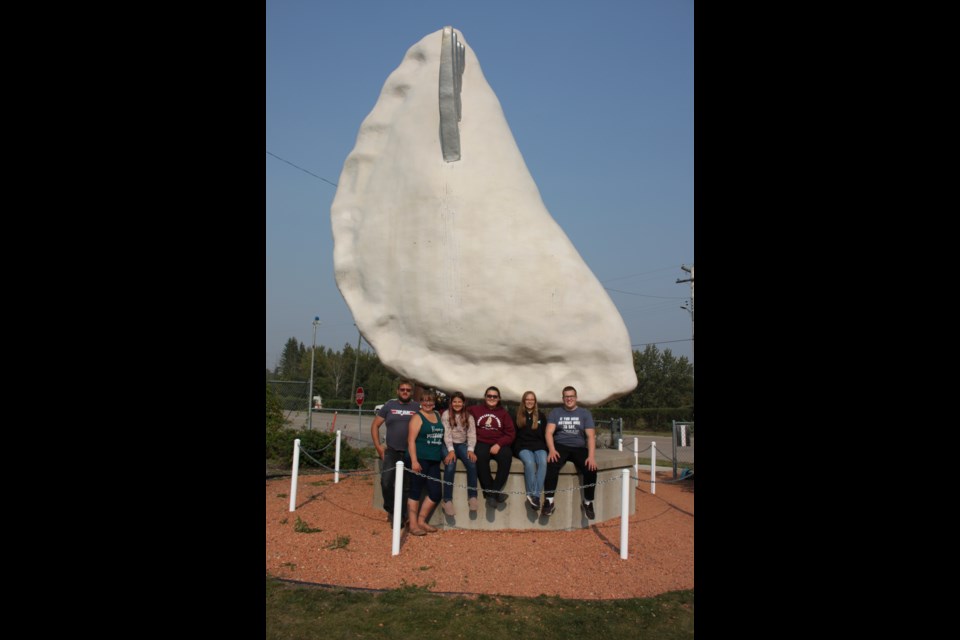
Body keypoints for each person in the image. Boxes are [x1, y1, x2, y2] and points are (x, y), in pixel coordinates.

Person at [541, 386, 598, 519]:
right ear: (563, 398)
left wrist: (591, 456)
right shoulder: (556, 412)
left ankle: (588, 502)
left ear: (576, 398)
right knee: (552, 464)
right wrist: (552, 450)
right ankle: (549, 501)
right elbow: (548, 432)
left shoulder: (585, 414)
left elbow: (590, 436)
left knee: (590, 468)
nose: (569, 399)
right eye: (566, 396)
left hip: (578, 447)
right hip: (560, 445)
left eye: (571, 396)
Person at [370, 381, 420, 523]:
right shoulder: (389, 406)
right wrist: (378, 446)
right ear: (398, 391)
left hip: (409, 452)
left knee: (406, 486)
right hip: (391, 451)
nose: (405, 392)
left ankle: (401, 515)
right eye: (402, 389)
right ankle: (391, 510)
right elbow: (375, 425)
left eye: (408, 390)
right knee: (386, 482)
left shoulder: (417, 407)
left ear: (411, 392)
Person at [467, 386, 516, 508]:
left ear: (499, 398)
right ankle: (494, 493)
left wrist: (499, 444)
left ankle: (491, 493)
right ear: (485, 397)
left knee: (507, 456)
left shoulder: (503, 413)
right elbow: (458, 408)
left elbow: (511, 433)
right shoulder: (475, 409)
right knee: (480, 457)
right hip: (481, 442)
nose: (492, 398)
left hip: (498, 442)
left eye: (495, 396)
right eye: (489, 396)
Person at [405, 391, 446, 535]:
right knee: (415, 491)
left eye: (431, 401)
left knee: (435, 492)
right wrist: (414, 461)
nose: (428, 403)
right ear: (421, 402)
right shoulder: (417, 417)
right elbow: (410, 440)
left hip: (434, 459)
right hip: (419, 458)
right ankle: (413, 524)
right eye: (425, 401)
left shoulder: (437, 415)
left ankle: (422, 521)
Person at [440, 391, 479, 516]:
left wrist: (471, 450)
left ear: (463, 403)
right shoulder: (446, 415)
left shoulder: (468, 416)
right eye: (454, 402)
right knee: (450, 465)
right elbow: (446, 434)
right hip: (447, 444)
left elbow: (472, 434)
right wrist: (450, 451)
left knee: (472, 463)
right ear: (451, 403)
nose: (457, 404)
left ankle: (472, 496)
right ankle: (447, 500)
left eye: (459, 402)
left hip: (462, 444)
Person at [513, 390, 548, 512]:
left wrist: (549, 449)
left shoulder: (541, 416)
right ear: (524, 401)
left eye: (532, 399)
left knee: (543, 463)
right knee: (529, 463)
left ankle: (535, 496)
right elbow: (514, 435)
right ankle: (531, 494)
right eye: (527, 399)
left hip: (539, 446)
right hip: (523, 446)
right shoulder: (517, 416)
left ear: (535, 401)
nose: (529, 401)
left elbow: (545, 435)